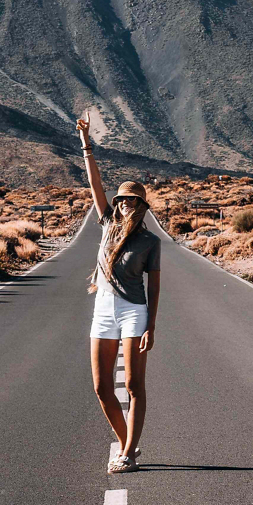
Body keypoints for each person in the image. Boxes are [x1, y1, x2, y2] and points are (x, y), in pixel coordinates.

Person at [77, 117, 161, 474]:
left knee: (132, 384)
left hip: (133, 313)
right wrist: (86, 141)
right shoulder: (108, 224)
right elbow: (94, 183)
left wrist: (151, 327)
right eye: (122, 199)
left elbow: (154, 285)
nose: (126, 203)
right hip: (103, 310)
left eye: (132, 200)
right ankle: (129, 441)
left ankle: (126, 452)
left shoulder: (150, 242)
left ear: (141, 207)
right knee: (100, 387)